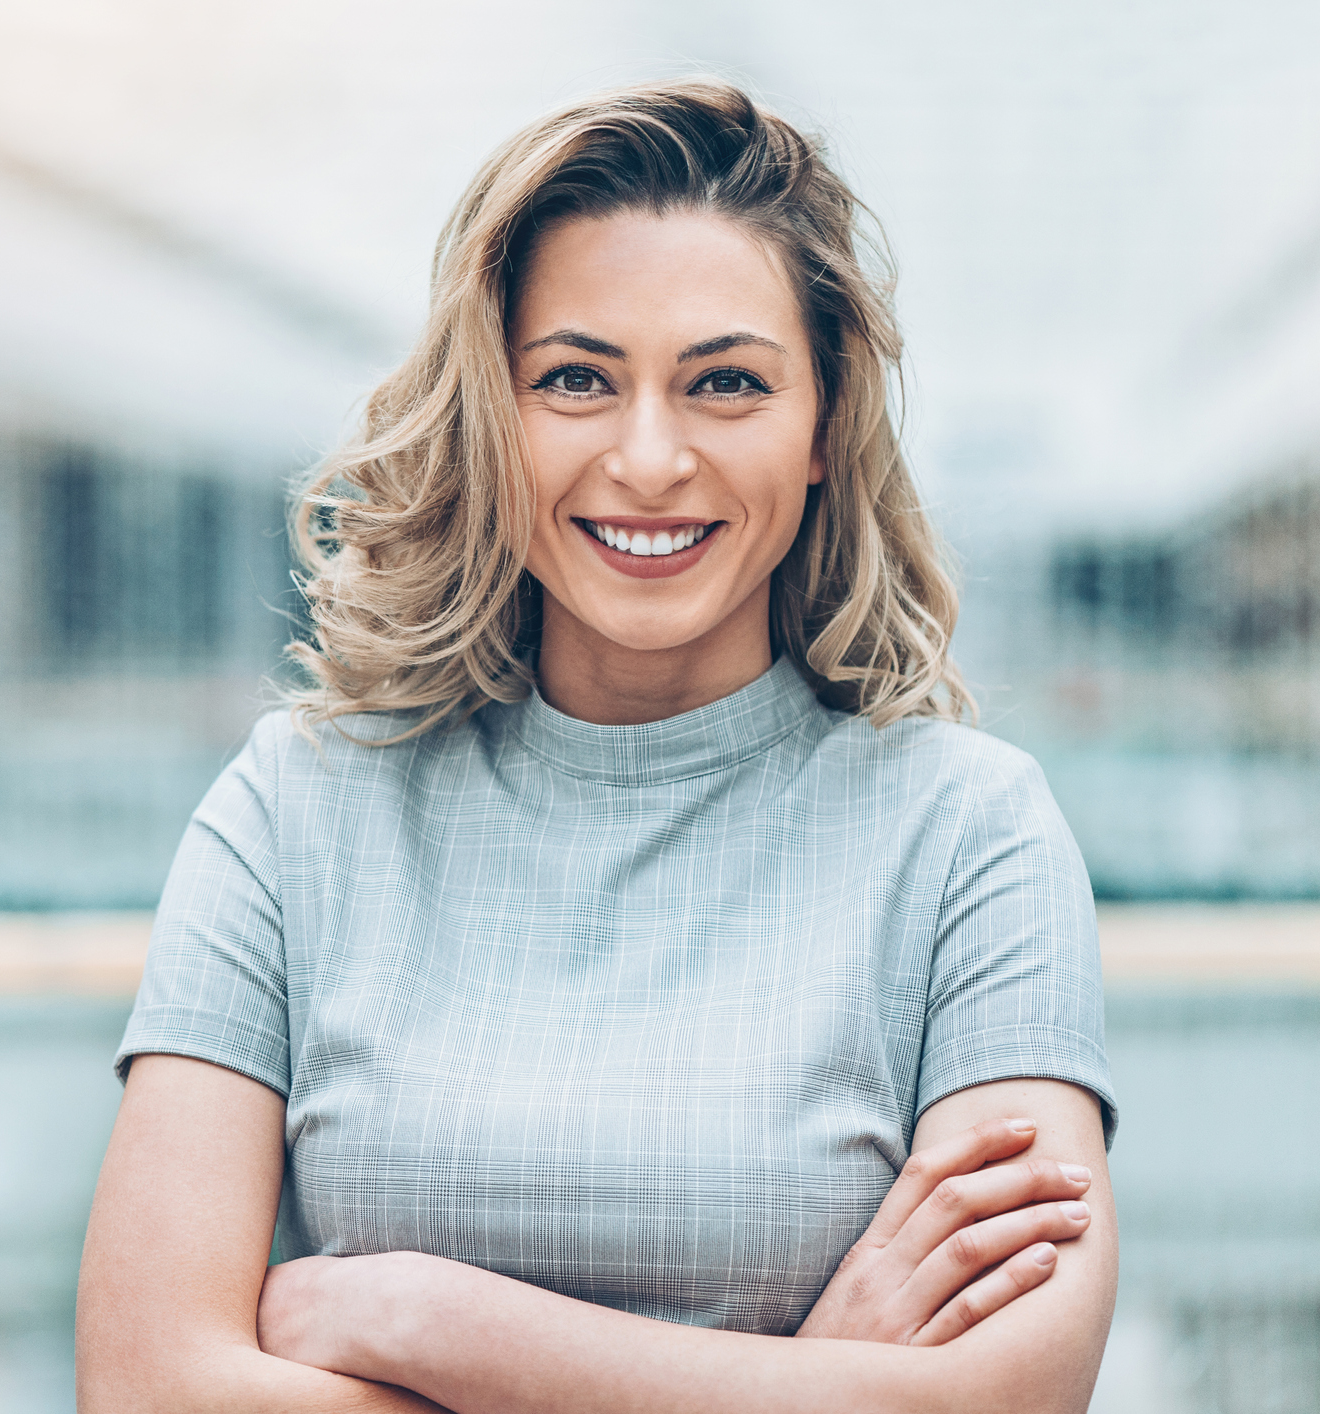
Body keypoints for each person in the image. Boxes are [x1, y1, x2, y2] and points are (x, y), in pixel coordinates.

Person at [77, 78, 1117, 1414]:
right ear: (491, 413)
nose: (646, 457)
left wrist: (417, 1313)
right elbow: (149, 1387)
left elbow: (1013, 1397)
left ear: (820, 427)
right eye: (574, 377)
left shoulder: (971, 829)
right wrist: (806, 1384)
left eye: (725, 383)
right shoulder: (294, 804)